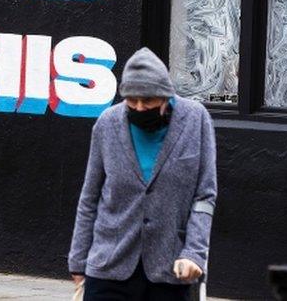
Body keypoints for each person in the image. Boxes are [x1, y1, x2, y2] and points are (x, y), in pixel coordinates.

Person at [68, 47, 217, 300]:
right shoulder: (107, 124)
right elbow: (90, 197)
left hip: (170, 269)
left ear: (165, 96)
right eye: (131, 101)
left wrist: (194, 254)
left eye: (148, 101)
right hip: (109, 266)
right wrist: (78, 261)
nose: (138, 108)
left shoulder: (196, 120)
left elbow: (204, 197)